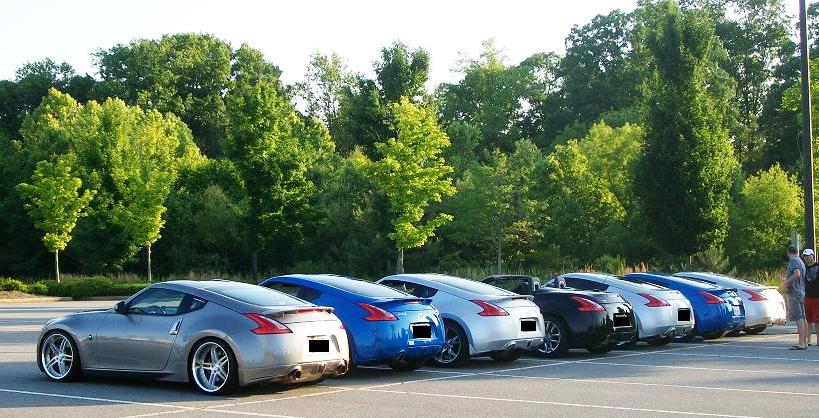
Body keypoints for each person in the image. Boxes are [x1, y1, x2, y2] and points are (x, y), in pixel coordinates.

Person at [784, 245, 808, 350]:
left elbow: (797, 274)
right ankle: (805, 342)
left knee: (799, 318)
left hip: (795, 292)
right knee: (803, 318)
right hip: (801, 291)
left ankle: (801, 342)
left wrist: (786, 281)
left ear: (788, 252)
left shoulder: (793, 261)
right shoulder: (800, 261)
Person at [803, 248, 819, 346]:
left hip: (816, 297)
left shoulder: (818, 267)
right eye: (805, 256)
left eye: (808, 256)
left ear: (813, 255)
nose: (806, 258)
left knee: (817, 320)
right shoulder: (804, 268)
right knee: (807, 320)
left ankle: (818, 340)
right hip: (807, 296)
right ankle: (808, 340)